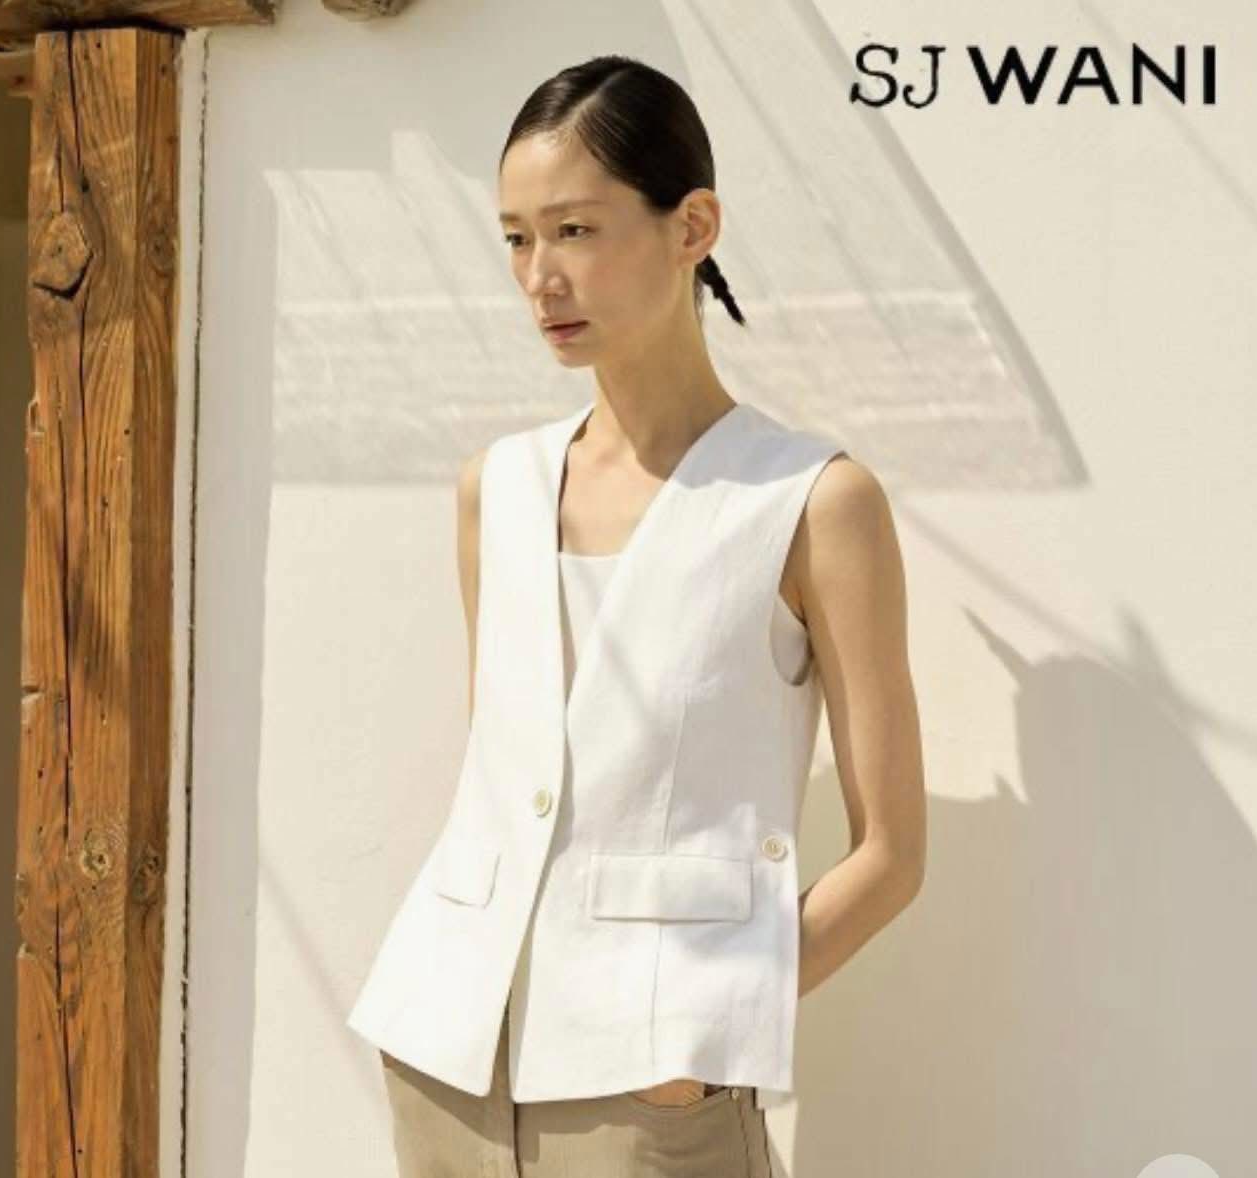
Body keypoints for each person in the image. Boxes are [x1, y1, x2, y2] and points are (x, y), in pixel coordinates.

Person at [353, 53, 927, 1177]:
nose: (540, 277)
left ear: (692, 225)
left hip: (651, 1092)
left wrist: (703, 1040)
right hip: (447, 1061)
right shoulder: (496, 490)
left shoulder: (811, 502)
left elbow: (893, 855)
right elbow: (507, 789)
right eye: (516, 237)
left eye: (575, 230)